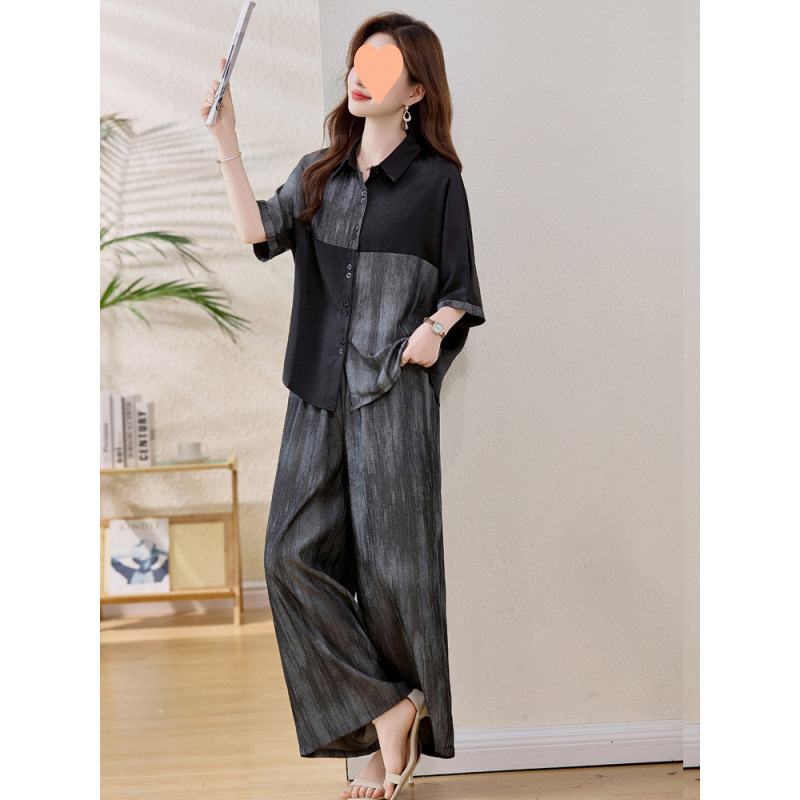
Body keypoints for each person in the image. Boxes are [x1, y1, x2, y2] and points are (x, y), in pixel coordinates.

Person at [201, 12, 485, 800]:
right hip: (317, 395)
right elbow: (258, 230)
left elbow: (462, 289)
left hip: (391, 395)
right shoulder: (320, 173)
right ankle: (387, 706)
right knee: (288, 557)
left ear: (415, 91)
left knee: (392, 571)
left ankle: (382, 744)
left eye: (383, 67)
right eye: (360, 62)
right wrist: (225, 137)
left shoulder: (436, 183)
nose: (362, 75)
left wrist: (433, 329)